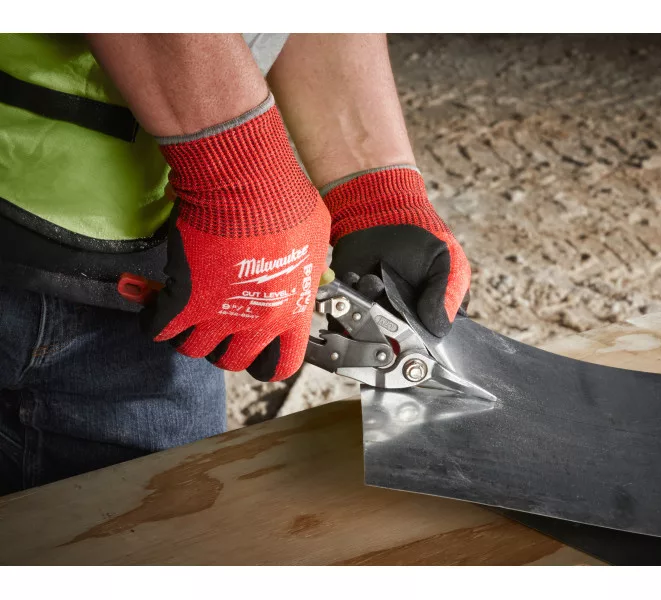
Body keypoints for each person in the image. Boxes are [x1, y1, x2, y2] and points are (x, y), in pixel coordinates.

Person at [0, 33, 471, 494]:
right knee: (153, 510)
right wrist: (238, 174)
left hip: (165, 244)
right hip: (39, 237)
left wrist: (374, 185)